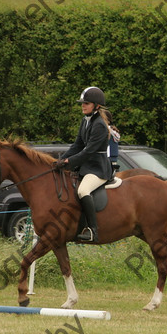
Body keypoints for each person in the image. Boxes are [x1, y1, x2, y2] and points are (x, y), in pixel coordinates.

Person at [59, 86, 112, 242]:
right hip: (87, 167)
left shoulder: (100, 125)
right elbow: (77, 145)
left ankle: (92, 231)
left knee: (83, 191)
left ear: (96, 106)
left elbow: (88, 151)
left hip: (98, 169)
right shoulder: (85, 121)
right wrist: (61, 159)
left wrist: (70, 161)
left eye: (86, 103)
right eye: (82, 103)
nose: (83, 105)